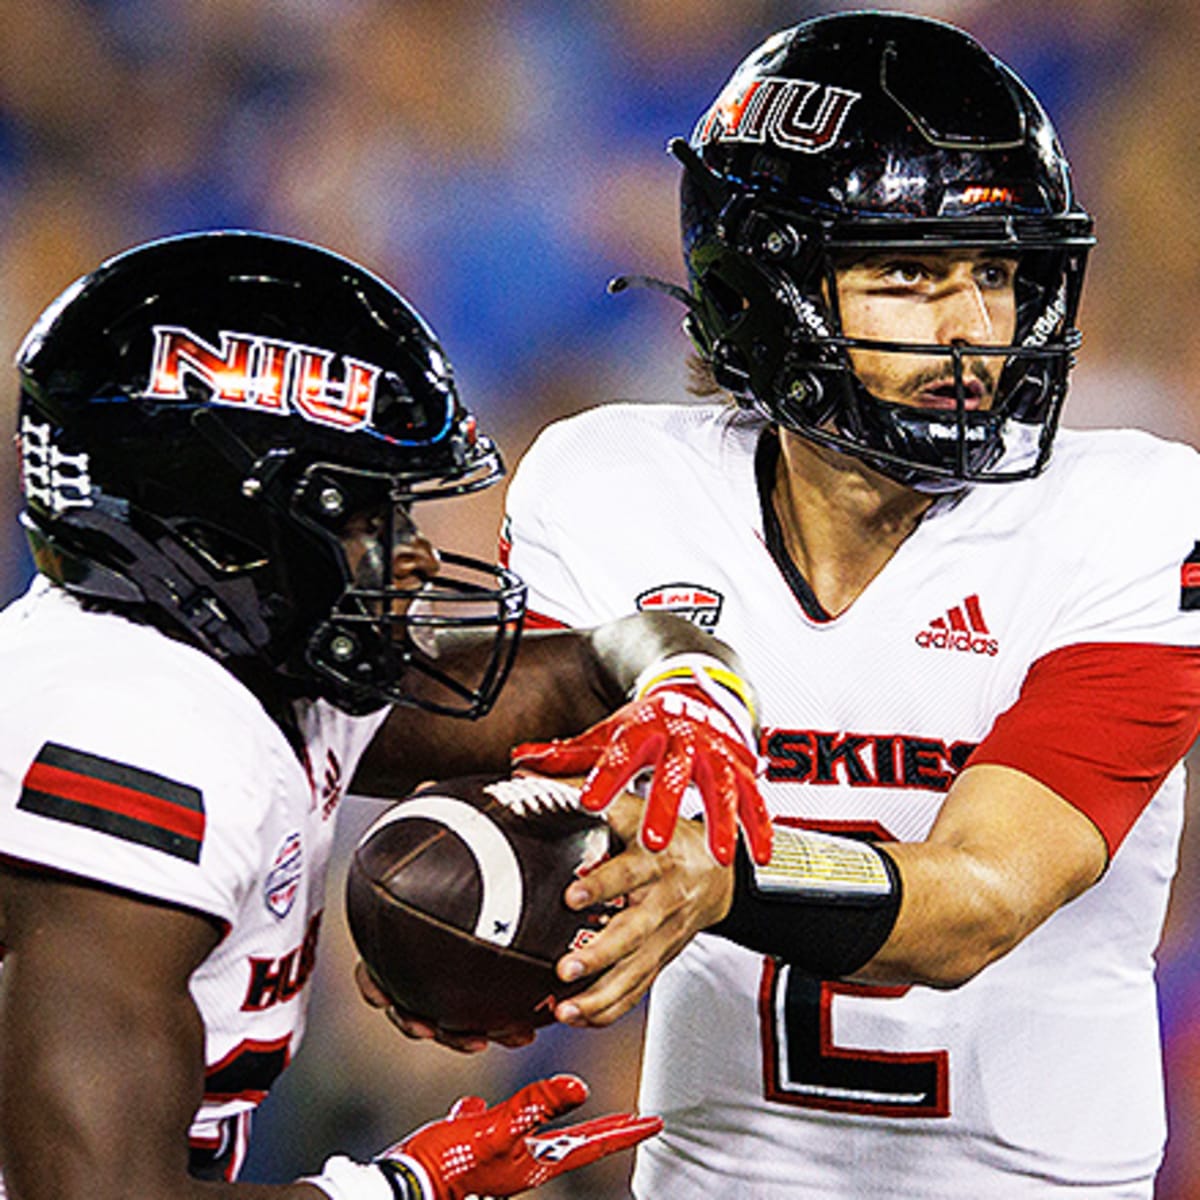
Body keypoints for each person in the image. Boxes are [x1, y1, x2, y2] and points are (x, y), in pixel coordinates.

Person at [500, 11, 1200, 1198]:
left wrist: (724, 878)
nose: (975, 330)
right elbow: (521, 808)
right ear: (764, 288)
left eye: (997, 272)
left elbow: (980, 896)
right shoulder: (611, 487)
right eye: (908, 275)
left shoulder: (1134, 517)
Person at [0, 230, 771, 1199]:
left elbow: (579, 673)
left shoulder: (230, 666)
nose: (410, 555)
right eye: (365, 514)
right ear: (223, 525)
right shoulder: (131, 733)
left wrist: (694, 693)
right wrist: (396, 1189)